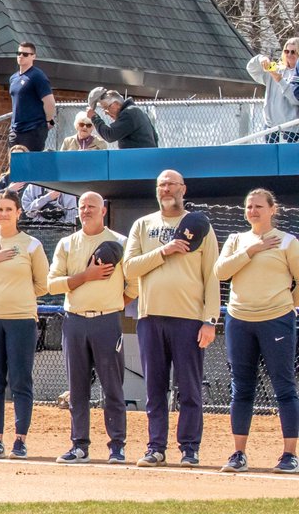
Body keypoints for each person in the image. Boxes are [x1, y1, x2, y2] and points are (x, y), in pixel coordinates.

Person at [124, 170, 220, 467]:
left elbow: (212, 275)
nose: (166, 189)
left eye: (171, 185)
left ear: (183, 189)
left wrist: (210, 320)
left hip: (189, 319)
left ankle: (189, 448)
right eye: (161, 185)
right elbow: (129, 268)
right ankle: (156, 447)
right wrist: (163, 251)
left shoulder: (199, 225)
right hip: (150, 317)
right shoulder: (143, 225)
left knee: (189, 388)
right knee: (154, 388)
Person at [48, 191, 136, 465]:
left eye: (91, 206)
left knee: (112, 387)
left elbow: (133, 286)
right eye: (82, 206)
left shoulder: (120, 242)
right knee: (77, 387)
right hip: (74, 320)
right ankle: (79, 445)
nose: (86, 210)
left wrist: (111, 305)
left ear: (103, 210)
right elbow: (52, 285)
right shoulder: (67, 243)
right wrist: (86, 276)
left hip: (106, 321)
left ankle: (117, 446)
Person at [214, 189, 299, 473]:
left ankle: (289, 455)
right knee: (241, 388)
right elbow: (220, 272)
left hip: (276, 321)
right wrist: (251, 250)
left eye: (259, 206)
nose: (253, 211)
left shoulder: (288, 242)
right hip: (239, 321)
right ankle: (238, 454)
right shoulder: (236, 240)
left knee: (284, 388)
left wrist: (285, 304)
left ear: (272, 209)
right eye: (249, 206)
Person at [0, 190, 50, 459]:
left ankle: (20, 440)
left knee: (21, 380)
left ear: (18, 213)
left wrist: (20, 297)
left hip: (22, 320)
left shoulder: (31, 245)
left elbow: (43, 284)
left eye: (8, 209)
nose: (2, 214)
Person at [8, 42, 56, 151]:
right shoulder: (13, 78)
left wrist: (49, 120)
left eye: (25, 54)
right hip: (15, 130)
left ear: (33, 56)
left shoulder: (37, 76)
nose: (21, 56)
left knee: (30, 164)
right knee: (14, 165)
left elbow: (49, 102)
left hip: (33, 129)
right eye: (18, 53)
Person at [250, 38, 299, 142]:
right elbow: (251, 69)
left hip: (290, 128)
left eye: (293, 52)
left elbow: (295, 99)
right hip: (270, 127)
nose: (289, 54)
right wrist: (261, 59)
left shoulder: (296, 74)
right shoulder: (276, 69)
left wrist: (279, 80)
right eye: (286, 51)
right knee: (270, 157)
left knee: (287, 158)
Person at [87, 90, 159, 149]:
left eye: (106, 107)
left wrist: (94, 118)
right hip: (146, 157)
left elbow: (110, 135)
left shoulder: (128, 113)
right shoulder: (137, 111)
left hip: (137, 160)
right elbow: (155, 137)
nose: (106, 112)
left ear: (116, 104)